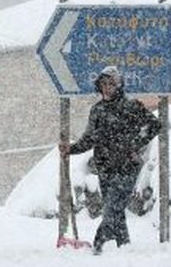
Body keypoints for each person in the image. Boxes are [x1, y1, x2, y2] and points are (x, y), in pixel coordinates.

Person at [59, 65, 160, 254]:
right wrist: (70, 149)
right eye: (104, 84)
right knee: (116, 210)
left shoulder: (131, 106)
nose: (107, 87)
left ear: (119, 85)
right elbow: (90, 138)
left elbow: (154, 125)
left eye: (111, 84)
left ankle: (98, 245)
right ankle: (124, 246)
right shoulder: (97, 110)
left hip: (127, 167)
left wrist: (135, 144)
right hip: (105, 168)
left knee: (112, 208)